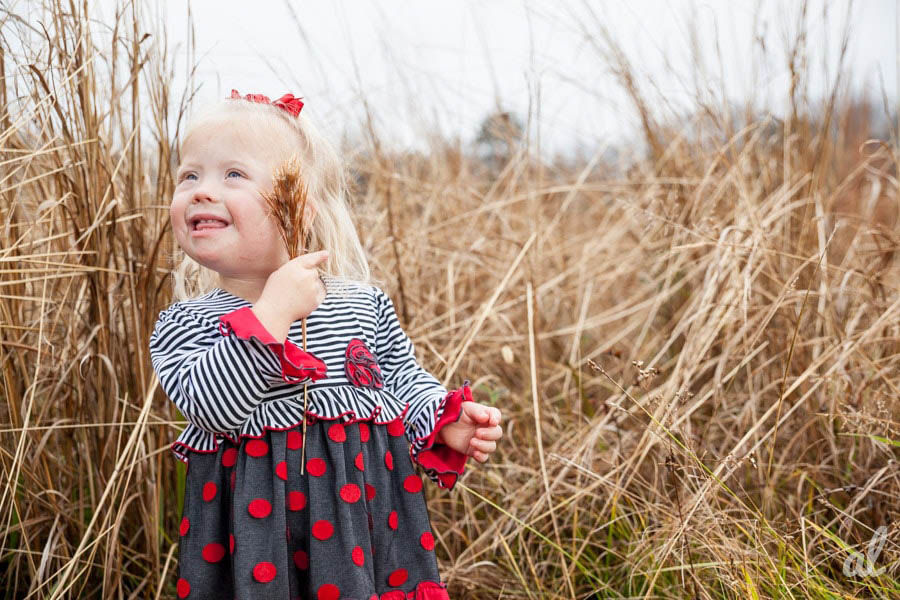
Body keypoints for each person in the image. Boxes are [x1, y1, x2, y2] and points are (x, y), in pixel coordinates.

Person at [149, 90, 503, 600]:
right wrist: (272, 313)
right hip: (256, 541)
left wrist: (445, 421)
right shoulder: (187, 322)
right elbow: (213, 408)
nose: (202, 192)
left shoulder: (362, 304)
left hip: (361, 528)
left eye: (233, 175)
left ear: (298, 204)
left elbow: (402, 382)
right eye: (189, 176)